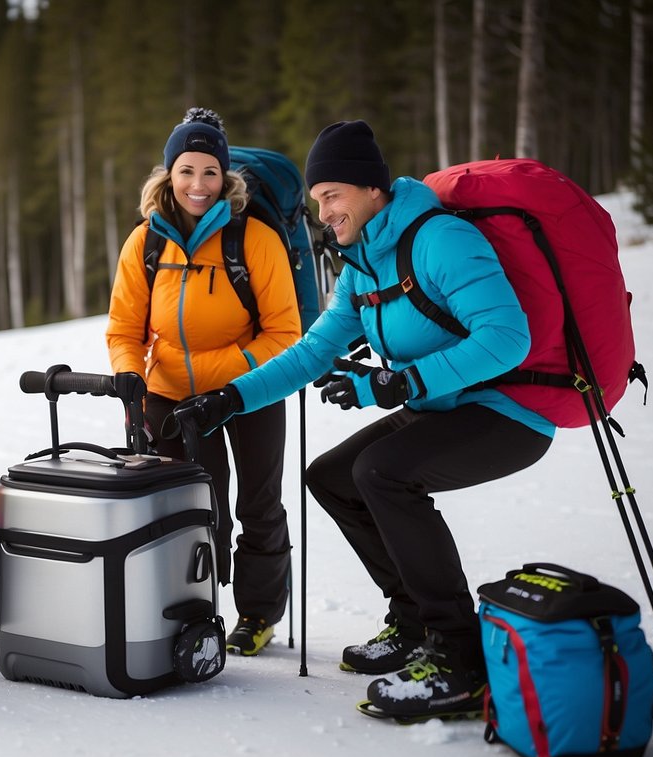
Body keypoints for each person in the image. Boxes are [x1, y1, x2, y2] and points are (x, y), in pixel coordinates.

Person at [171, 120, 553, 720]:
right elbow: (310, 353)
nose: (324, 213)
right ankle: (410, 621)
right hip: (441, 407)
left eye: (332, 196)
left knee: (381, 472)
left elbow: (508, 338)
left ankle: (458, 654)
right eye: (318, 199)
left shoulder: (439, 240)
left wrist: (399, 382)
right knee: (333, 476)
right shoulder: (362, 265)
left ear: (373, 189)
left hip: (510, 411)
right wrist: (228, 399)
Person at [106, 107, 302, 657]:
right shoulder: (144, 244)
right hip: (168, 396)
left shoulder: (255, 239)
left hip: (251, 392)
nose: (198, 184)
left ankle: (257, 613)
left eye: (210, 172)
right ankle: (184, 607)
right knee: (185, 509)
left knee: (258, 504)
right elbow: (125, 327)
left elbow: (285, 333)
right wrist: (128, 375)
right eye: (187, 170)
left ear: (225, 176)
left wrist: (225, 388)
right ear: (168, 174)